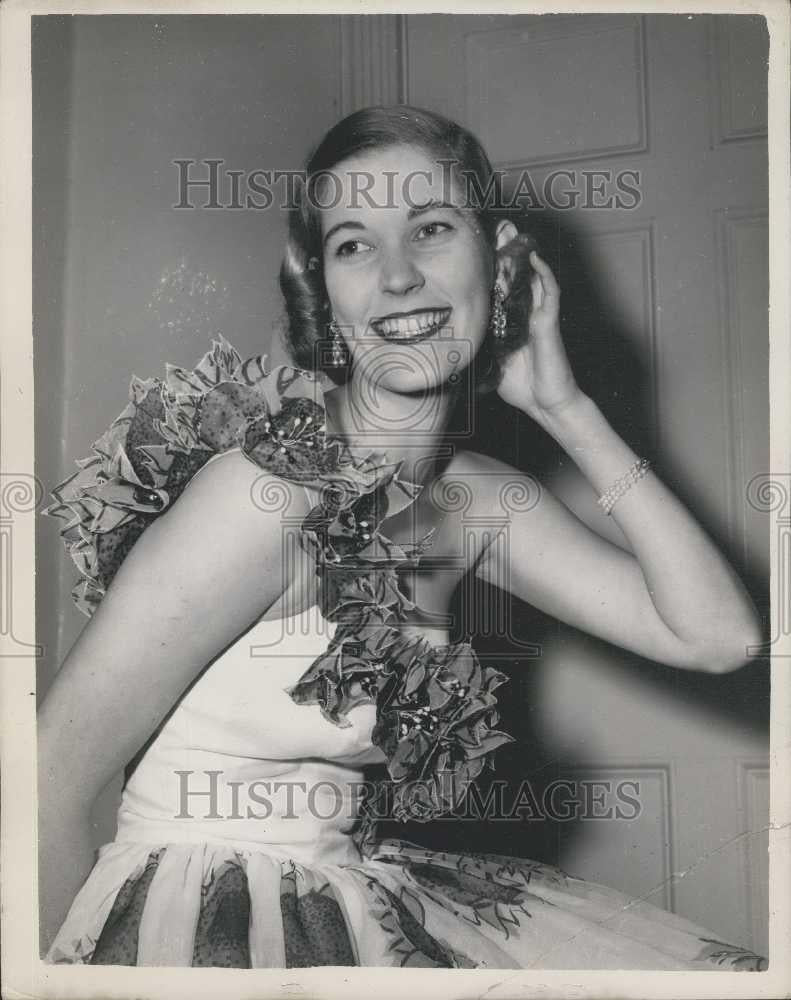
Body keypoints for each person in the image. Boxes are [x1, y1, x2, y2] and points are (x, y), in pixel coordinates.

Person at [38, 105, 767, 970]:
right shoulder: (266, 494)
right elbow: (46, 780)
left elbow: (718, 637)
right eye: (353, 244)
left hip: (345, 896)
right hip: (192, 924)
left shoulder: (474, 501)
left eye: (430, 229)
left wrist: (566, 411)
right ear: (320, 286)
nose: (395, 278)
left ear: (501, 264)